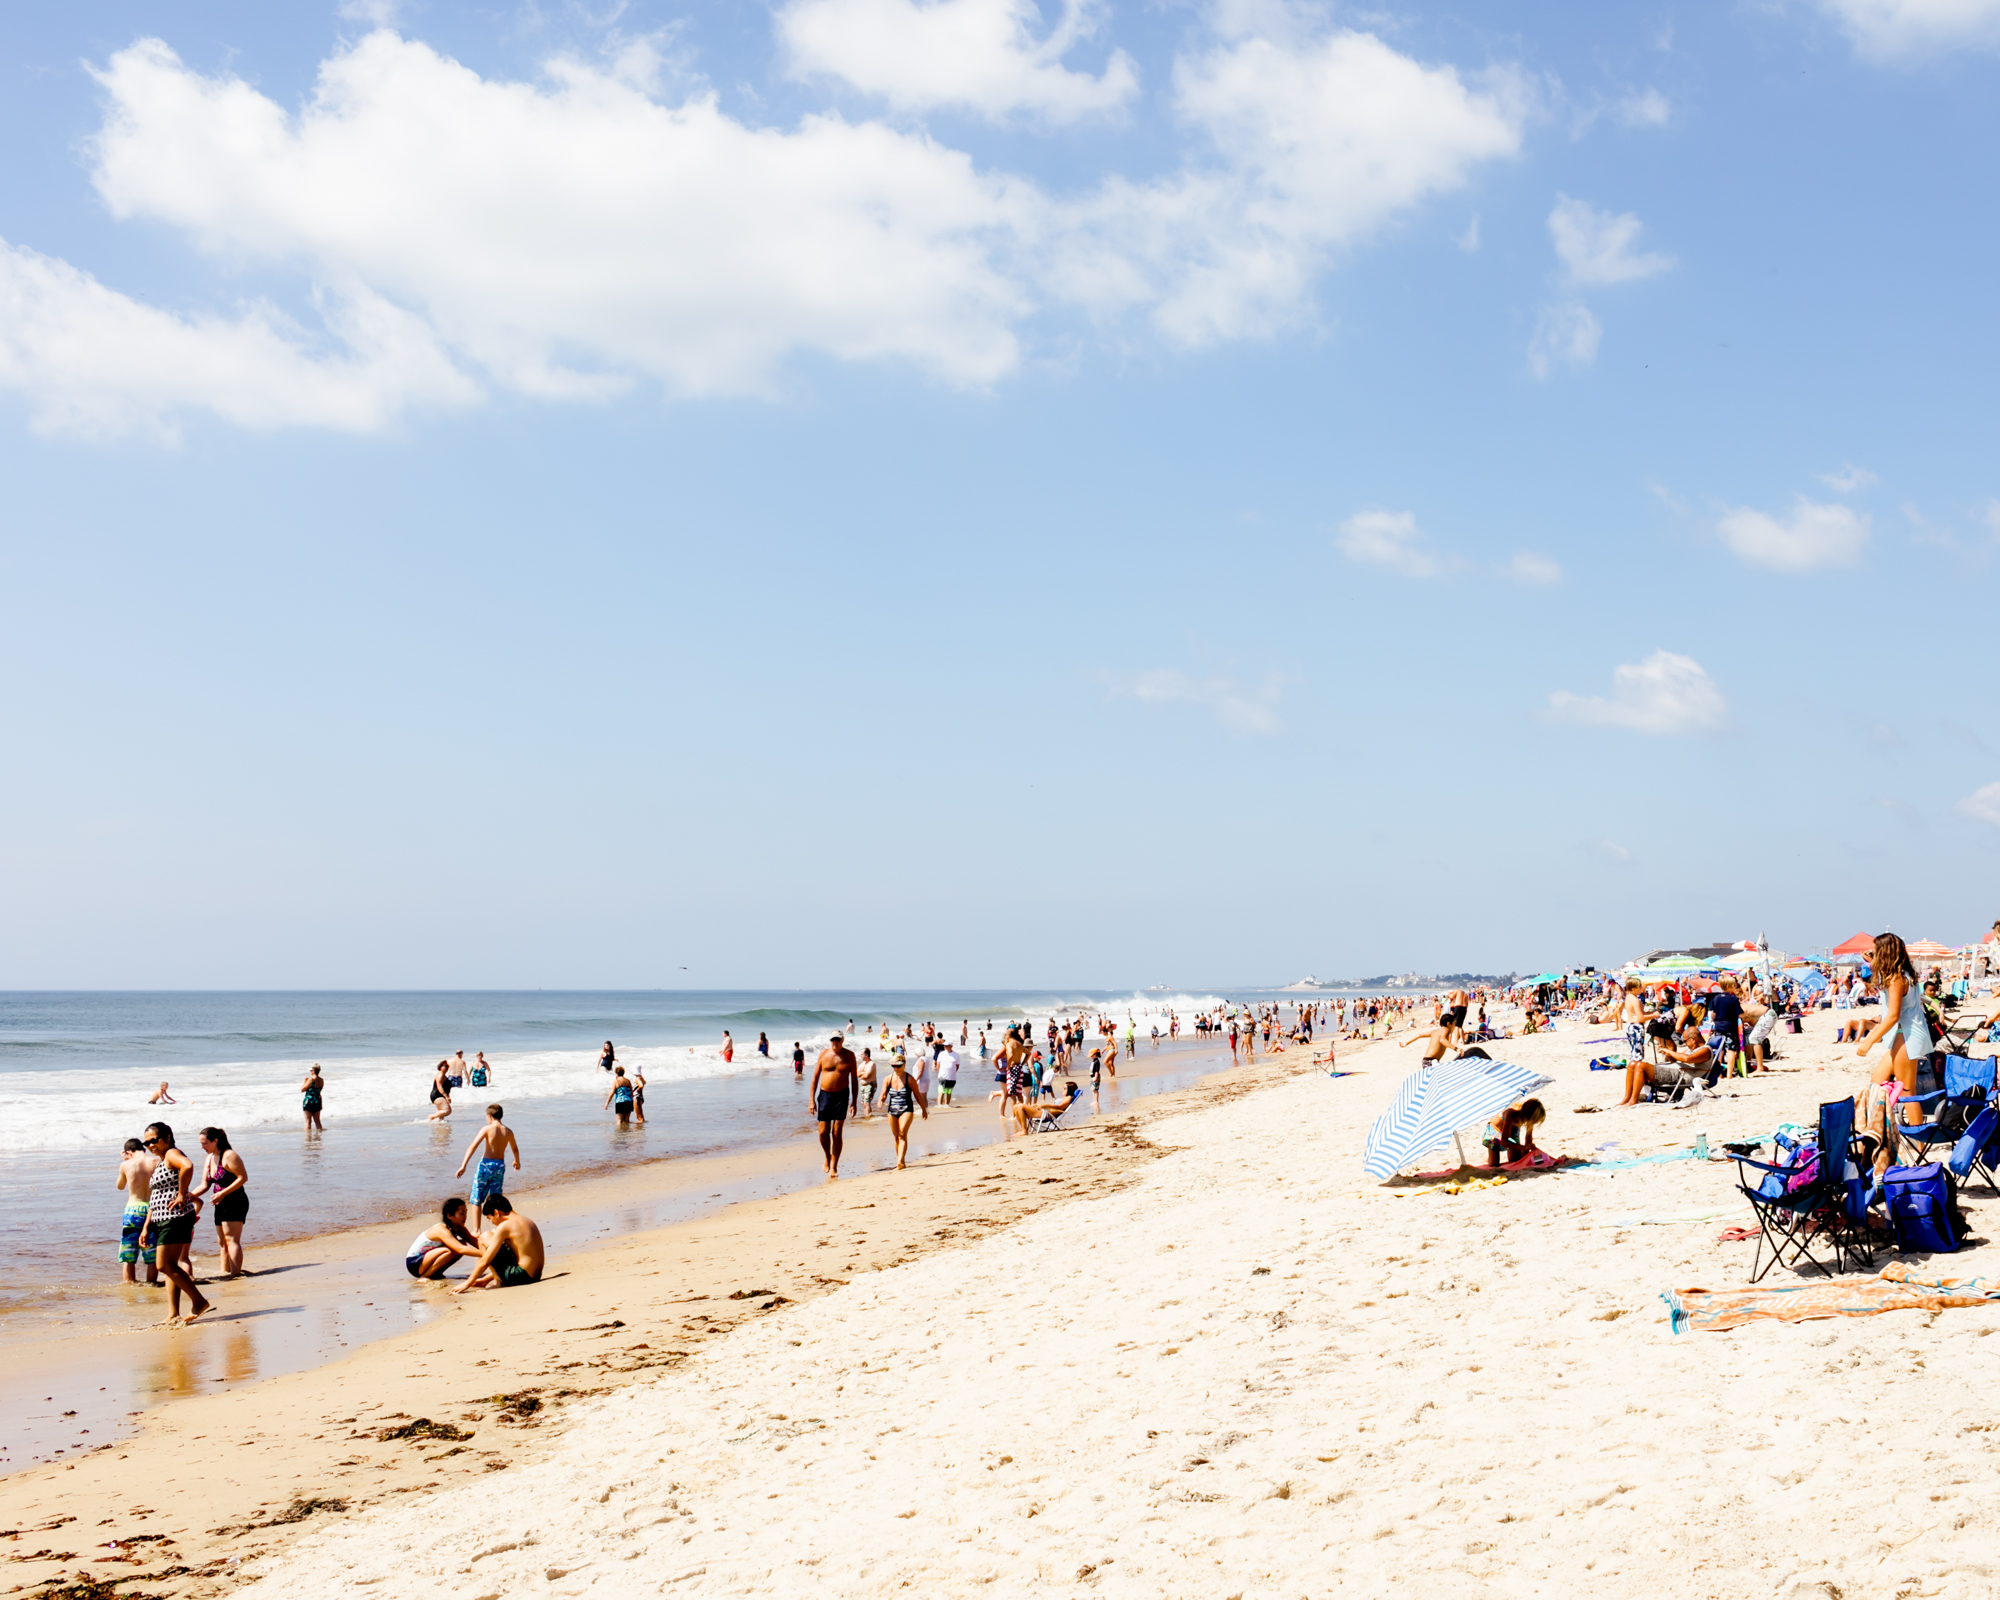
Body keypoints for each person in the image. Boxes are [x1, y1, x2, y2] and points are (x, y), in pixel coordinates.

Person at [138, 1122, 210, 1324]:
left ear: (167, 1137)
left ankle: (199, 1301)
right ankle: (173, 1313)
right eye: (147, 1142)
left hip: (175, 1216)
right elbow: (156, 1197)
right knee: (170, 1267)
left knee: (163, 1265)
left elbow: (188, 1166)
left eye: (154, 1140)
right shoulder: (162, 1160)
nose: (151, 1145)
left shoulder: (171, 1153)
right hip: (162, 1219)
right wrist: (146, 1227)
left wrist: (181, 1194)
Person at [453, 1195, 544, 1292]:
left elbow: (485, 1261)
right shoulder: (527, 1220)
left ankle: (499, 1283)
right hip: (536, 1275)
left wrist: (467, 1283)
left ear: (496, 1212)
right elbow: (515, 1259)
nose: (492, 1222)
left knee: (484, 1237)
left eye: (489, 1218)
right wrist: (486, 1279)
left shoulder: (505, 1226)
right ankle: (498, 1280)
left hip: (522, 1277)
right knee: (494, 1237)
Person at [455, 1105, 522, 1235]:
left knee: (477, 1197)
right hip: (499, 1166)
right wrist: (516, 1161)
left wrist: (463, 1165)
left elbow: (473, 1145)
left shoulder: (487, 1129)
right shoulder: (508, 1131)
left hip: (485, 1166)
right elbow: (515, 1148)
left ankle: (476, 1229)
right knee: (495, 1197)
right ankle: (500, 1226)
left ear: (489, 1117)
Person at [199, 1127, 250, 1277]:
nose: (202, 1147)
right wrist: (186, 1196)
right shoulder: (209, 1158)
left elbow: (243, 1178)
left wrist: (222, 1193)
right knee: (222, 1242)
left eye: (205, 1143)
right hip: (220, 1202)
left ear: (216, 1141)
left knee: (231, 1240)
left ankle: (235, 1275)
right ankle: (224, 1273)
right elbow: (204, 1185)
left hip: (235, 1200)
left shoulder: (229, 1155)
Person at [116, 1137, 162, 1286]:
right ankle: (152, 1285)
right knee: (152, 1253)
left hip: (133, 1209)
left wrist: (124, 1160)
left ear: (128, 1152)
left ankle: (130, 1286)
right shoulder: (156, 1162)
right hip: (152, 1209)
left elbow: (120, 1186)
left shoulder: (126, 1165)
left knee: (128, 1252)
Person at [811, 1034, 857, 1179]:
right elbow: (815, 1078)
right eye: (833, 1040)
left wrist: (854, 1102)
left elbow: (854, 1079)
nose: (835, 1042)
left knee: (837, 1132)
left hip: (842, 1095)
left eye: (838, 1039)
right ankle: (827, 1156)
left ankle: (834, 1166)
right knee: (823, 1132)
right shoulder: (824, 1054)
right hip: (825, 1095)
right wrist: (811, 1100)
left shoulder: (849, 1056)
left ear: (842, 1040)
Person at [406, 1197, 482, 1279]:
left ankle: (435, 1273)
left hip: (428, 1260)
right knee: (448, 1250)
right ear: (449, 1215)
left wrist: (493, 1251)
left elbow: (476, 1243)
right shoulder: (442, 1229)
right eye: (462, 1214)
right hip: (414, 1263)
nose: (465, 1217)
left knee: (462, 1243)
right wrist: (486, 1254)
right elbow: (461, 1249)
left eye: (466, 1213)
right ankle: (425, 1276)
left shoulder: (460, 1228)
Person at [881, 1055, 928, 1169]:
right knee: (896, 1136)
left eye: (898, 1066)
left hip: (906, 1109)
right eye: (894, 1066)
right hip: (892, 1110)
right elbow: (883, 1094)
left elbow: (917, 1095)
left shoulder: (910, 1079)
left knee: (902, 1134)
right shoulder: (888, 1079)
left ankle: (900, 1161)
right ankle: (901, 1161)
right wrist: (880, 1101)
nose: (896, 1068)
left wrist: (923, 1109)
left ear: (904, 1065)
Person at [1484, 1100, 1546, 1166]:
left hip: (1513, 1129)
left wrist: (1528, 1149)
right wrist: (1524, 1148)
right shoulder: (1511, 1113)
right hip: (1495, 1130)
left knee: (1514, 1159)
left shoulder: (1527, 1116)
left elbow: (1528, 1139)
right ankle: (1488, 1157)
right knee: (1494, 1164)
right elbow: (1504, 1142)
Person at [1010, 1081, 1080, 1134]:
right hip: (1045, 1112)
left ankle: (1024, 1130)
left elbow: (1060, 1107)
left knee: (1020, 1106)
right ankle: (1022, 1130)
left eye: (1065, 1088)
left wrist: (1044, 1105)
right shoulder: (1065, 1098)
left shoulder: (1069, 1098)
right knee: (1016, 1106)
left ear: (1070, 1090)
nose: (1063, 1090)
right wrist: (1041, 1106)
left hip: (1047, 1115)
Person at [301, 1063, 325, 1132]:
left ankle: (307, 1138)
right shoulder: (321, 1080)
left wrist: (305, 1081)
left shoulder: (311, 1080)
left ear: (313, 1071)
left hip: (309, 1101)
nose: (310, 1072)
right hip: (317, 1100)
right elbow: (319, 1090)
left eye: (311, 1071)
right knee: (317, 1121)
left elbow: (302, 1089)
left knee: (308, 1121)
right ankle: (319, 1137)